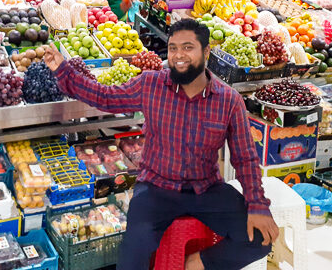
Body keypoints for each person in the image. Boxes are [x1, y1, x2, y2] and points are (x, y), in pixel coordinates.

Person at [44, 18, 279, 270]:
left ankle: (196, 262)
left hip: (205, 189)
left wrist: (257, 204)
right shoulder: (151, 85)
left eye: (188, 47)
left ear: (206, 51)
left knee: (260, 240)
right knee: (131, 259)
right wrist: (63, 71)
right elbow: (105, 97)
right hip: (156, 187)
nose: (179, 55)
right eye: (173, 48)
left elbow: (245, 158)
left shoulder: (228, 100)